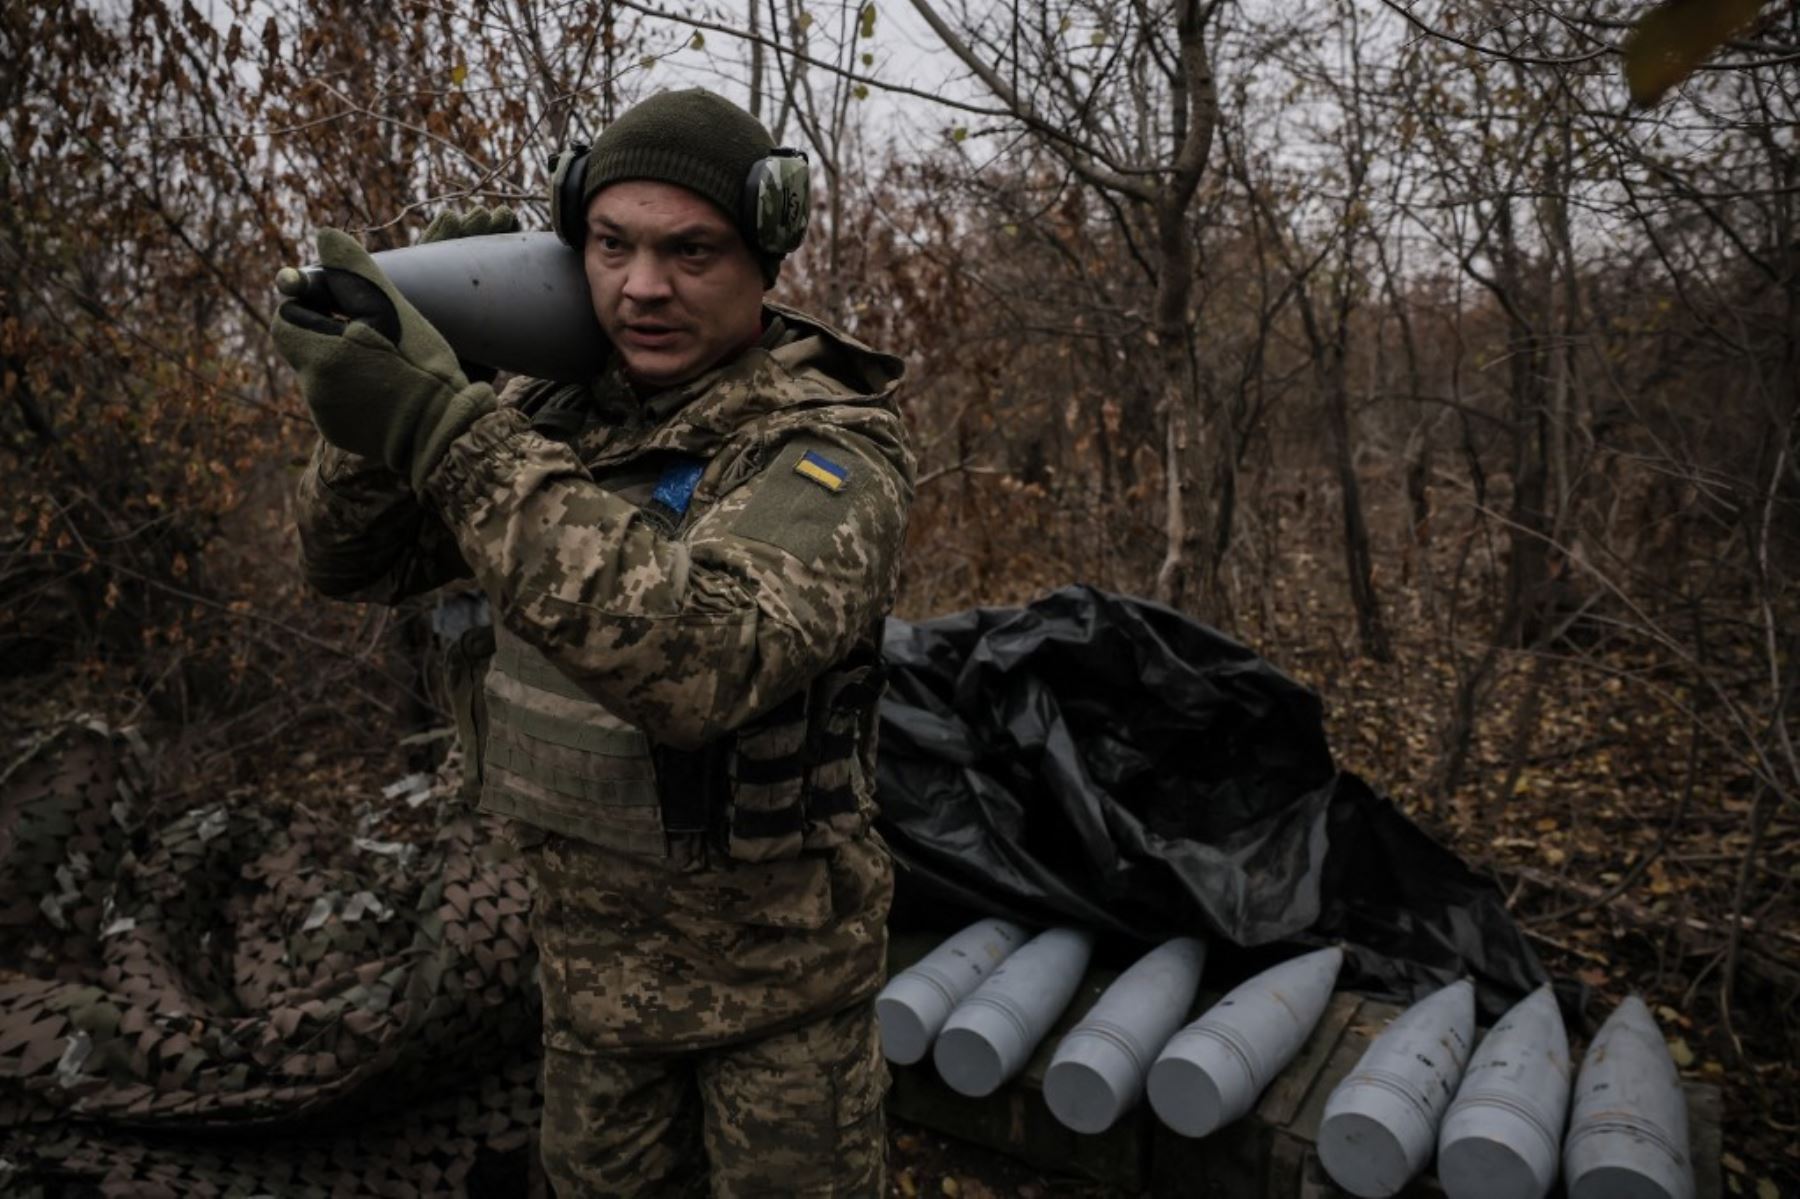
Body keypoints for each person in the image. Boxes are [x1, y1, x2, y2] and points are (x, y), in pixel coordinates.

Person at [273, 87, 914, 1196]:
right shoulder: (553, 411)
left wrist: (452, 433)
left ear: (764, 258)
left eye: (691, 251)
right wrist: (412, 390)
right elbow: (350, 563)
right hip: (588, 989)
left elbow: (705, 662)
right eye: (610, 246)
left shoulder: (827, 448)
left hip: (779, 1010)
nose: (643, 286)